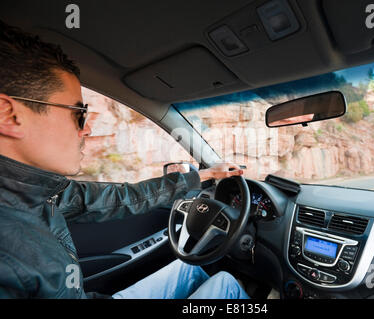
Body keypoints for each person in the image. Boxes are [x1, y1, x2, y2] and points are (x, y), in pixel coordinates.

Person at [0, 20, 249, 299]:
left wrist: (203, 175)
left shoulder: (41, 193)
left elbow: (117, 198)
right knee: (225, 284)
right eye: (78, 113)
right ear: (8, 115)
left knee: (187, 269)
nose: (88, 128)